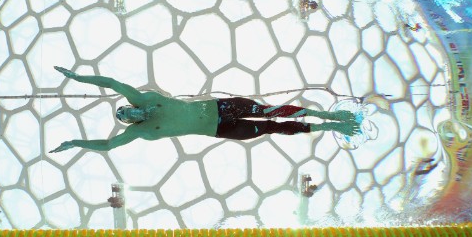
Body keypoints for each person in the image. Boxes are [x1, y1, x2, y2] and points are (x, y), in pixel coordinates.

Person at [50, 66, 360, 152]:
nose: (129, 116)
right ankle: (327, 127)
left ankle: (327, 115)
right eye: (125, 119)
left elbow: (112, 81)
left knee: (269, 111)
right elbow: (107, 145)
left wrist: (79, 78)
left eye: (125, 110)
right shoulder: (141, 132)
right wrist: (77, 142)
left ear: (130, 105)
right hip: (219, 129)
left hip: (222, 107)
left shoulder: (145, 99)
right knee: (270, 127)